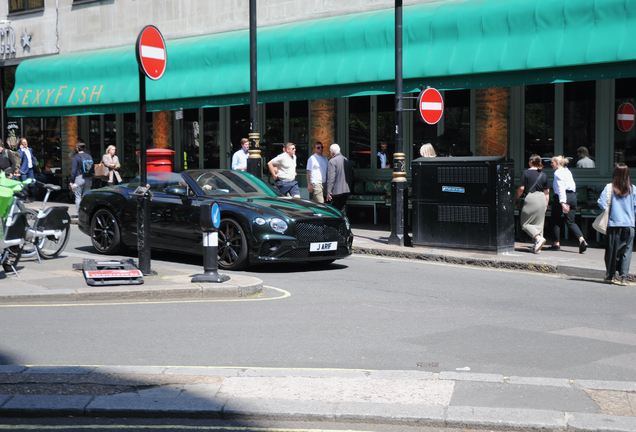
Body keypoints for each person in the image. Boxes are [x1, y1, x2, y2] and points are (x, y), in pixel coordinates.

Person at [597, 164, 636, 285]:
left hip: (613, 224)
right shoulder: (633, 189)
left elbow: (601, 203)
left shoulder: (610, 188)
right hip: (629, 225)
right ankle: (624, 277)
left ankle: (610, 275)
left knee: (611, 250)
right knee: (627, 251)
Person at [550, 155, 588, 253]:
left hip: (563, 197)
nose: (551, 164)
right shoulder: (567, 171)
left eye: (552, 162)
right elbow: (573, 185)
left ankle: (556, 244)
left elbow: (561, 188)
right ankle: (581, 240)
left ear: (557, 163)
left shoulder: (558, 173)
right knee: (571, 221)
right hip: (572, 196)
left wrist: (562, 203)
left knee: (555, 220)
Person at [515, 155, 550, 253]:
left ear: (531, 161)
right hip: (542, 199)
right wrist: (546, 205)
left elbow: (521, 188)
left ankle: (538, 238)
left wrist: (516, 198)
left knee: (525, 223)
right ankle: (537, 246)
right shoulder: (543, 174)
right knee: (539, 224)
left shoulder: (525, 173)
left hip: (531, 198)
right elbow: (547, 192)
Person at [326, 143, 353, 214]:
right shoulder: (346, 160)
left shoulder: (332, 161)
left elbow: (331, 177)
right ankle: (343, 223)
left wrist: (329, 192)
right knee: (342, 208)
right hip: (346, 190)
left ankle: (334, 224)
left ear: (332, 151)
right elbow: (351, 175)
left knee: (332, 209)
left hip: (336, 191)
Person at [70, 140, 93, 212]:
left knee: (78, 196)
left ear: (77, 149)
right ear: (84, 149)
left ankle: (79, 214)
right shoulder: (89, 156)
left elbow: (73, 171)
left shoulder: (76, 157)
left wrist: (71, 181)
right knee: (85, 197)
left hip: (79, 178)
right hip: (89, 179)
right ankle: (86, 213)